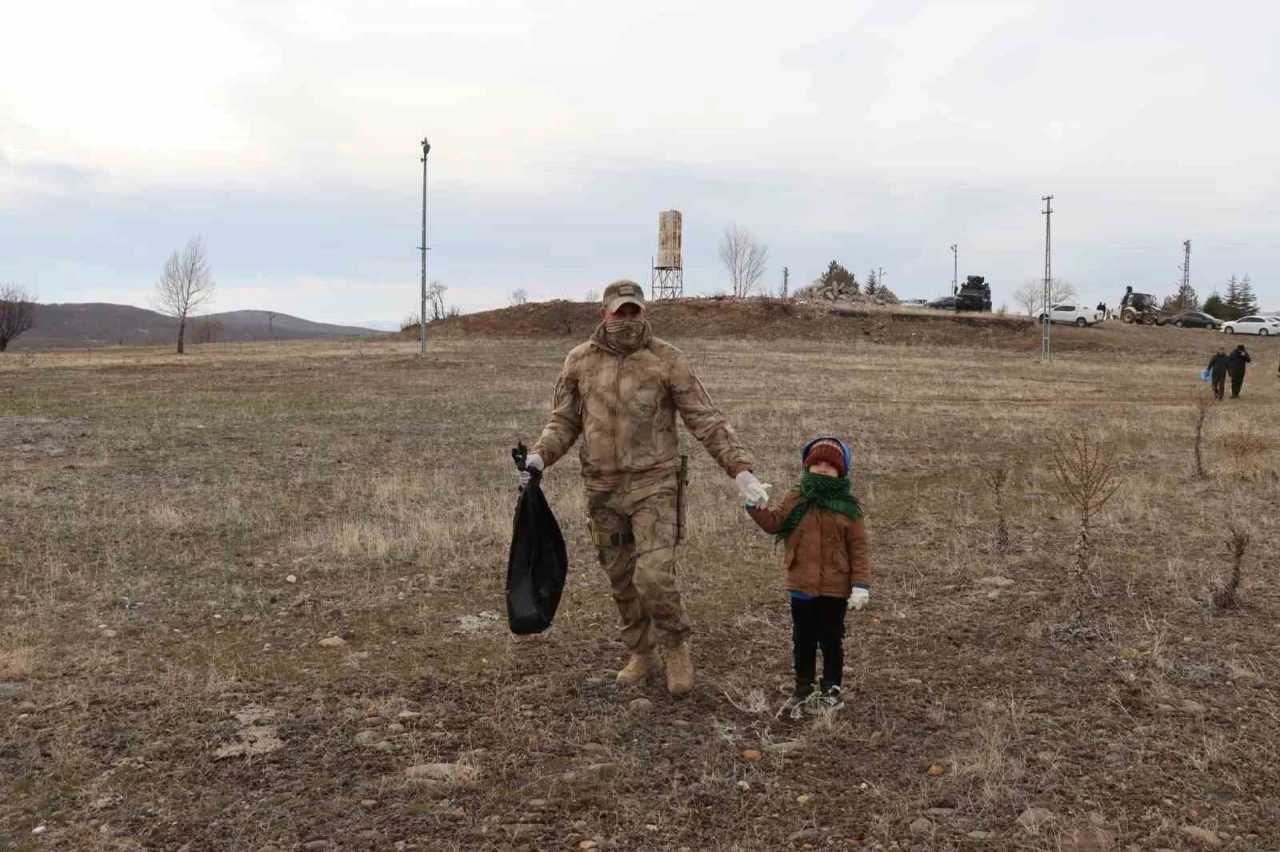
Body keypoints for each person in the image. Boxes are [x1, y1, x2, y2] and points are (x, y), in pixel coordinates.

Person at [521, 280, 769, 695]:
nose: (628, 319)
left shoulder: (667, 360)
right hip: (602, 487)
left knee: (653, 575)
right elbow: (564, 421)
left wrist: (740, 470)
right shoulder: (579, 361)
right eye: (621, 312)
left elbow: (704, 418)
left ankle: (675, 647)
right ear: (605, 314)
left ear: (644, 313)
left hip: (655, 483)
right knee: (620, 576)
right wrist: (539, 457)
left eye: (635, 311)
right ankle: (641, 651)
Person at [745, 436, 870, 716]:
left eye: (830, 464)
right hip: (800, 584)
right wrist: (756, 506)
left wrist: (861, 585)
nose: (823, 469)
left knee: (830, 638)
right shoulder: (795, 497)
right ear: (807, 466)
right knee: (803, 638)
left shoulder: (849, 507)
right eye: (817, 463)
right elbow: (775, 524)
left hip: (836, 588)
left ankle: (831, 689)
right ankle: (803, 688)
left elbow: (859, 549)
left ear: (842, 470)